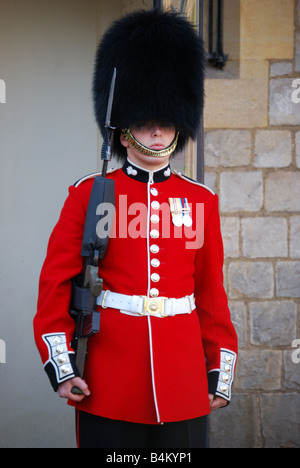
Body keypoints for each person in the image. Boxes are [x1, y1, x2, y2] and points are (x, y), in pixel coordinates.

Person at [33, 9, 238, 449]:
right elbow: (55, 284)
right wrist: (63, 365)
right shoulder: (89, 194)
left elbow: (210, 293)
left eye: (166, 121)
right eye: (146, 121)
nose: (159, 130)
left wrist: (219, 368)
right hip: (108, 382)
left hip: (182, 381)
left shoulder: (200, 200)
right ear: (124, 132)